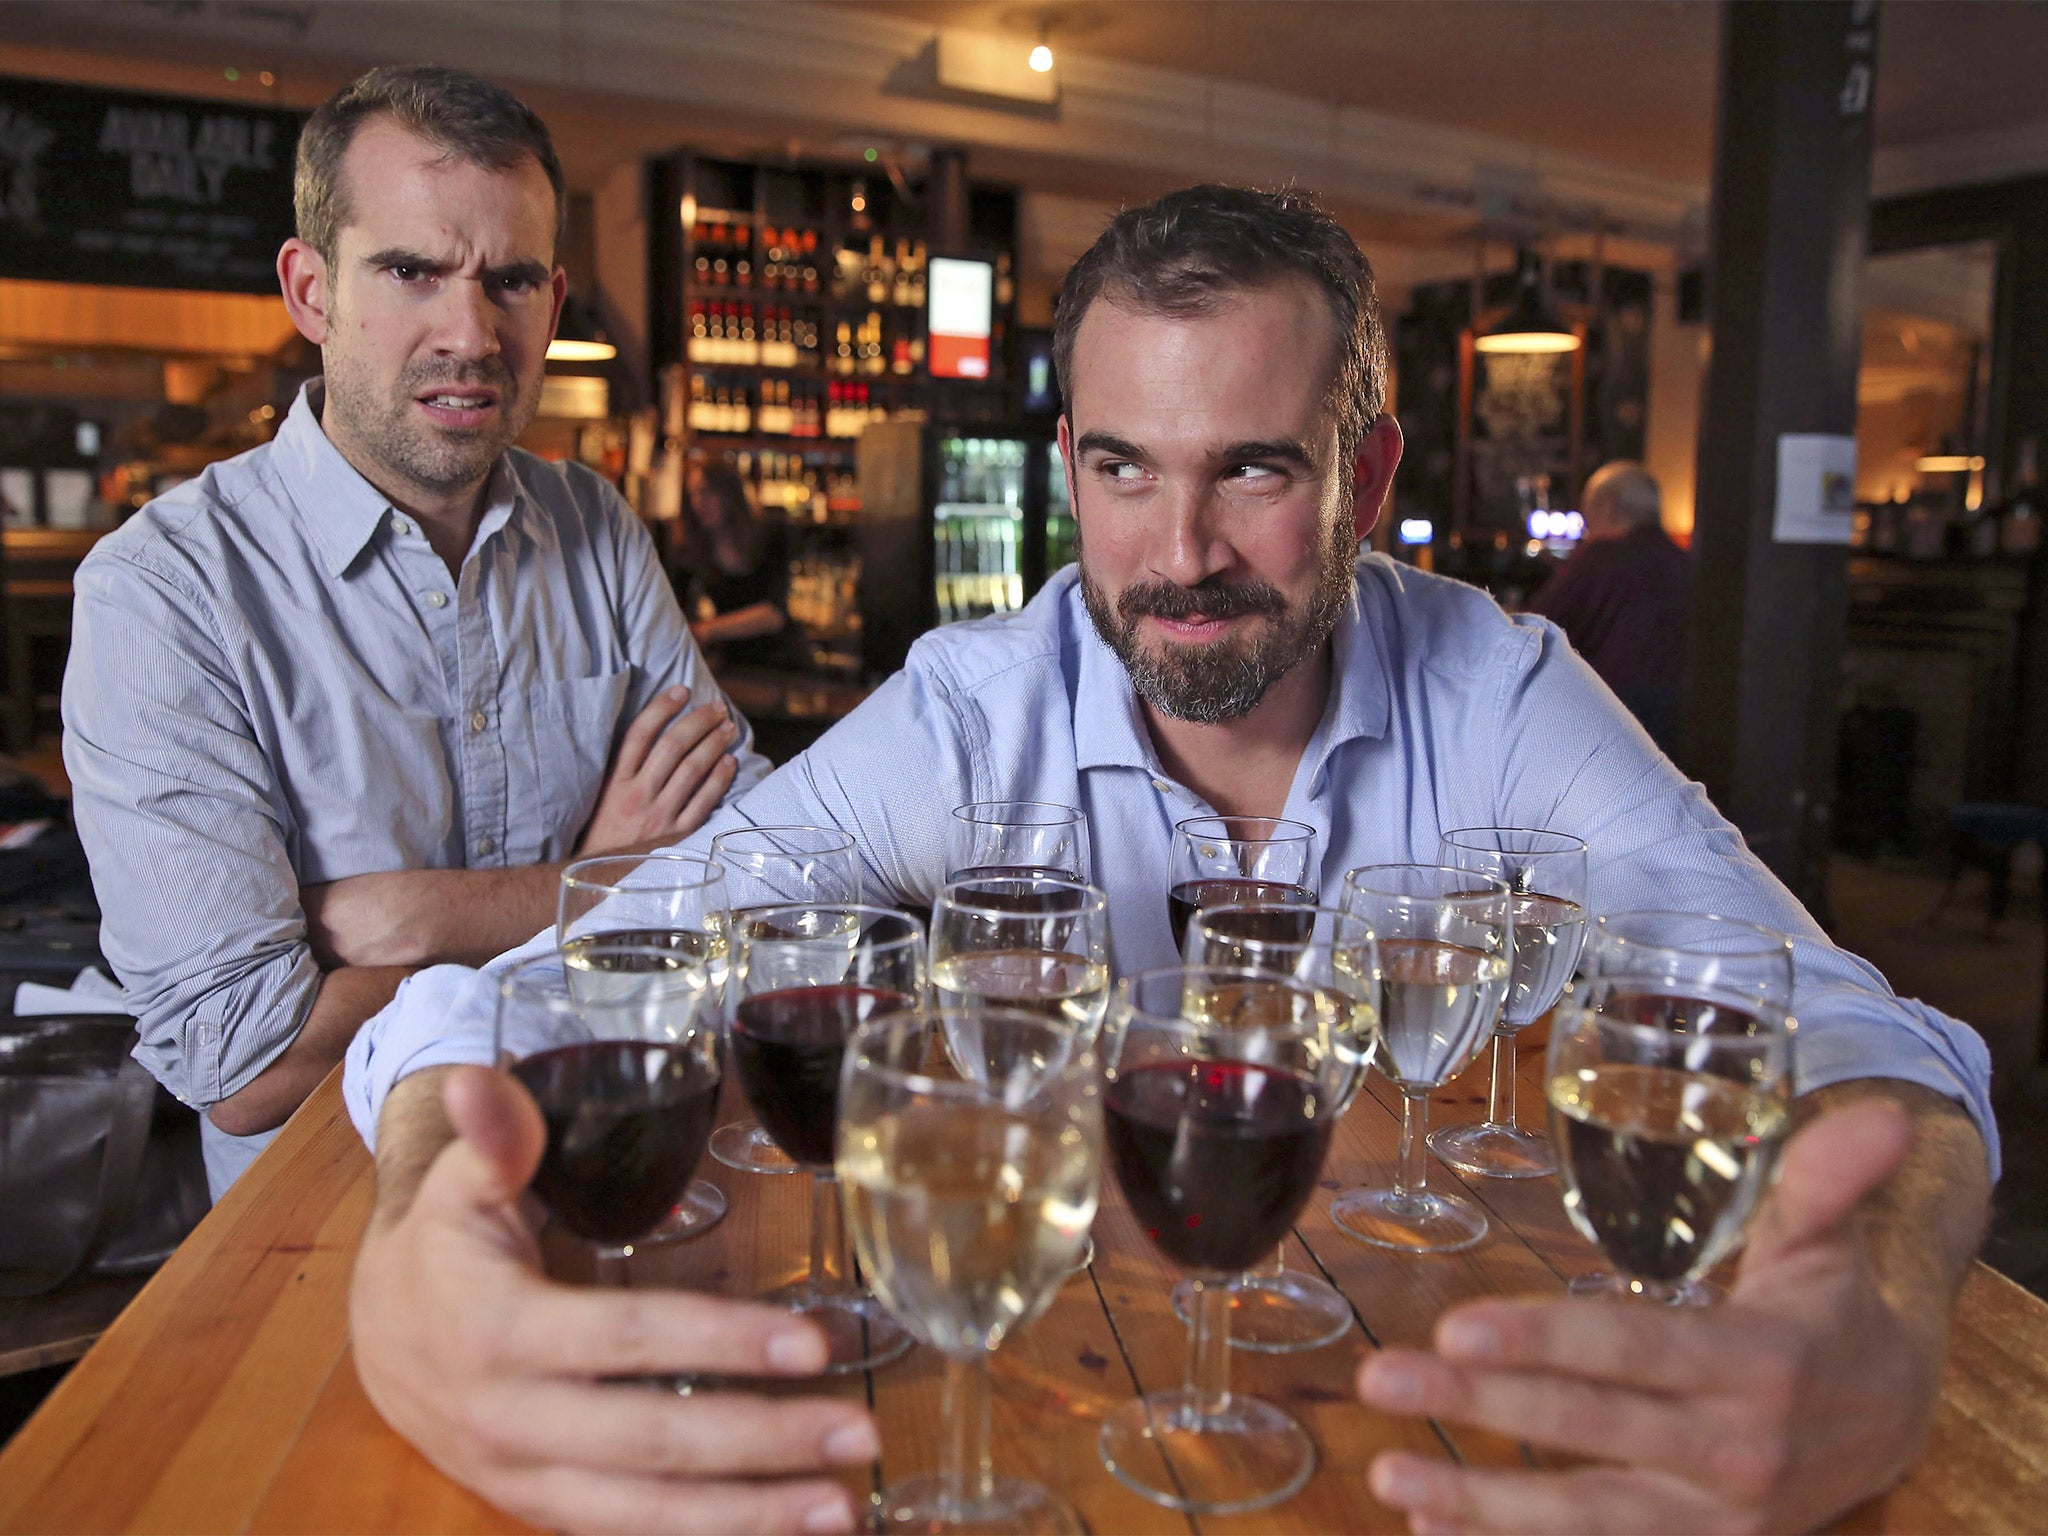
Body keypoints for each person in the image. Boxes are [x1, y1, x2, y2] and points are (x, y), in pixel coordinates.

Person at [343, 185, 1994, 1535]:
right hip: (1069, 1402)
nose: (1179, 555)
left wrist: (1891, 1313)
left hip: (1387, 1416)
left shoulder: (1497, 694)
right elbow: (560, 980)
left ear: (1365, 476)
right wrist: (419, 1237)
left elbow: (1864, 1044)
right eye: (1123, 469)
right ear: (1067, 471)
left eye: (1254, 469)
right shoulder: (972, 717)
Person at [60, 65, 770, 1200]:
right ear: (310, 292)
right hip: (318, 1237)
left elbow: (757, 873)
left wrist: (419, 915)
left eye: (513, 280)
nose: (471, 331)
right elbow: (241, 1064)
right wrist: (601, 880)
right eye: (411, 271)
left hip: (616, 1168)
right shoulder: (166, 591)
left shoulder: (591, 526)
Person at [1527, 460, 1694, 755]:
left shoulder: (1600, 560)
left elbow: (1539, 631)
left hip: (1615, 715)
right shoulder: (1684, 563)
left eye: (1589, 510)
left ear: (1609, 506)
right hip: (1683, 715)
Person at [675, 454, 796, 669]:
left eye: (705, 491)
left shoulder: (771, 535)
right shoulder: (695, 551)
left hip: (782, 663)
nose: (698, 503)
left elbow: (774, 615)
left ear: (728, 492)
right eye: (691, 495)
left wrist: (706, 630)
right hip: (731, 665)